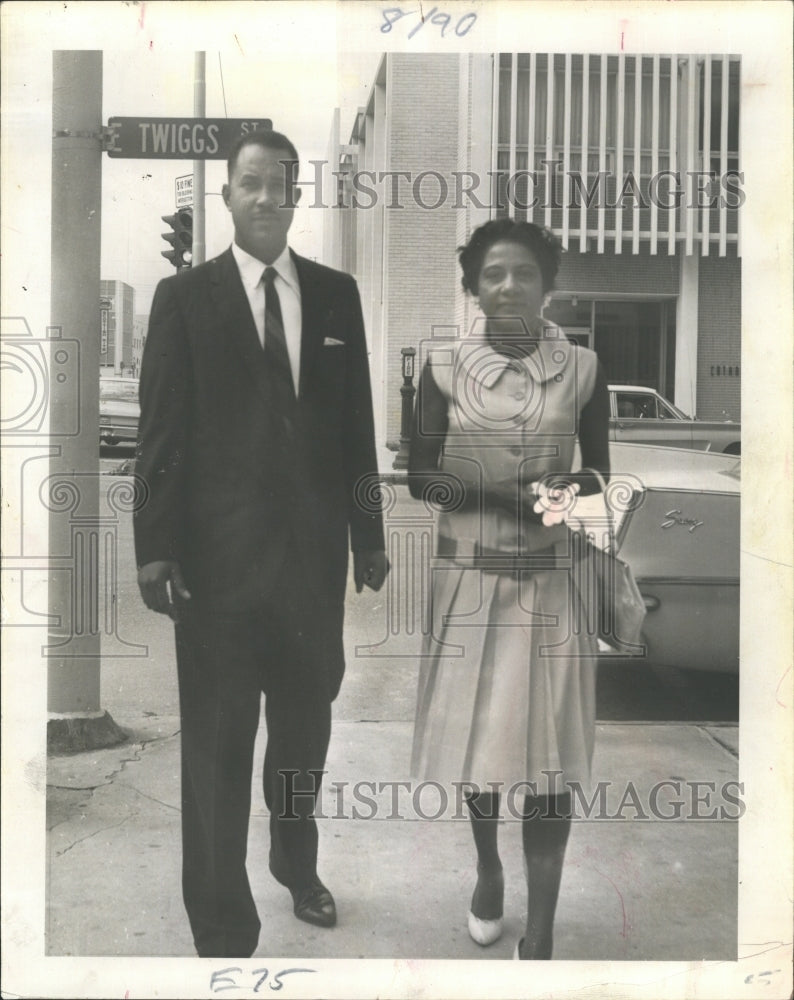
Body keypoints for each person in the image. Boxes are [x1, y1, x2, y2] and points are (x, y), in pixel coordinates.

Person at [134, 129, 388, 958]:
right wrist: (155, 547)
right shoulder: (186, 298)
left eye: (281, 184)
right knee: (215, 745)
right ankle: (222, 927)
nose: (266, 197)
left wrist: (369, 535)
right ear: (228, 197)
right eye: (250, 184)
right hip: (215, 572)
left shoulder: (336, 293)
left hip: (310, 572)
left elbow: (357, 429)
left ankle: (293, 857)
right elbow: (161, 432)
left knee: (304, 737)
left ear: (296, 195)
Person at [407, 219, 610, 960]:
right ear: (473, 287)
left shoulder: (585, 369)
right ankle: (490, 870)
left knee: (550, 758)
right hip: (468, 583)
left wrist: (564, 489)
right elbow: (421, 475)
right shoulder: (439, 368)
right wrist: (502, 496)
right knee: (481, 750)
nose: (509, 286)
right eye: (493, 273)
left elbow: (600, 479)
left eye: (524, 272)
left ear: (547, 283)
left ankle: (544, 931)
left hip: (554, 587)